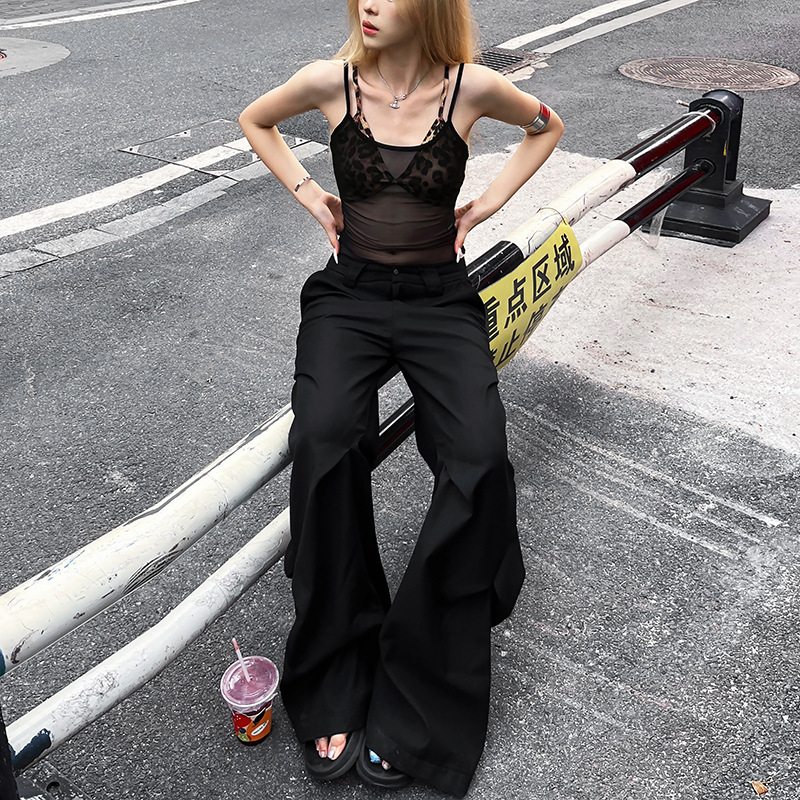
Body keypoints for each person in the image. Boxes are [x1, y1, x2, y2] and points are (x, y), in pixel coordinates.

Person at [238, 0, 562, 794]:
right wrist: (311, 194)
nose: (373, 4)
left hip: (439, 301)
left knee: (479, 458)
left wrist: (486, 205)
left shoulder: (472, 87)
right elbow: (255, 120)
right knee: (324, 441)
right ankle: (336, 674)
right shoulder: (331, 81)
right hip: (348, 297)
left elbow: (547, 126)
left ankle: (419, 688)